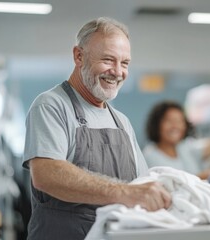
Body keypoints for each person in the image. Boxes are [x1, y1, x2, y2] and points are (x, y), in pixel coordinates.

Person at [22, 17, 171, 240]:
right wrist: (125, 193)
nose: (117, 71)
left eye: (125, 63)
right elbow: (46, 174)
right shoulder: (51, 105)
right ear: (78, 56)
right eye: (109, 60)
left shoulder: (121, 122)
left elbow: (142, 184)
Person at [143, 101, 210, 179]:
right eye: (169, 121)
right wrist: (203, 175)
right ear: (156, 124)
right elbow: (168, 182)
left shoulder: (183, 147)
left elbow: (206, 150)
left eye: (180, 121)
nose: (176, 126)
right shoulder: (150, 155)